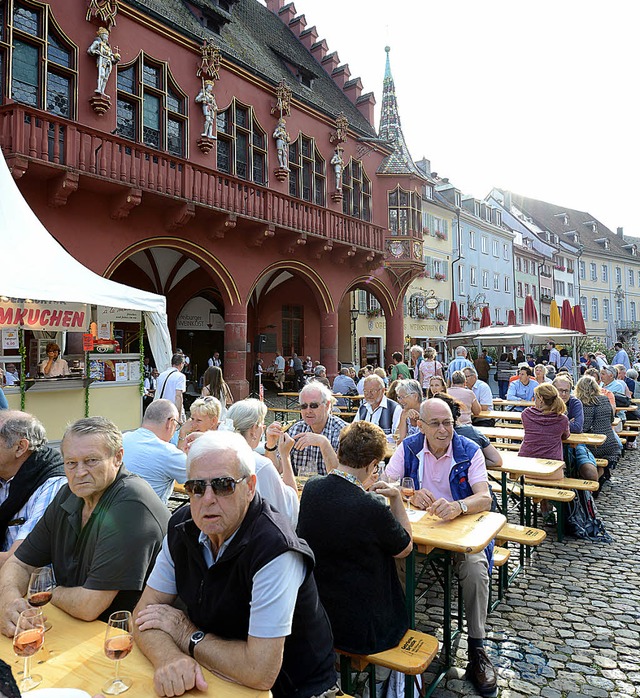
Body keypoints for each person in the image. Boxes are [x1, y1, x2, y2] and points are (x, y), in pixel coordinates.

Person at [132, 431, 337, 698]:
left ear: (250, 487)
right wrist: (168, 658)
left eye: (223, 485)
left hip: (293, 689)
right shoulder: (183, 527)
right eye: (196, 487)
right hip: (211, 675)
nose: (207, 499)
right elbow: (143, 616)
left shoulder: (275, 548)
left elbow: (259, 671)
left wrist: (185, 634)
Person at [0, 417, 169, 636]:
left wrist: (47, 592)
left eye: (91, 461)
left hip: (126, 639)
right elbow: (19, 564)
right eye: (71, 463)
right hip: (79, 631)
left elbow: (88, 605)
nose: (79, 472)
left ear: (117, 458)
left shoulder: (132, 503)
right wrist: (8, 600)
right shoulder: (69, 494)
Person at [385, 399, 496, 697]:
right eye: (435, 424)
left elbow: (484, 498)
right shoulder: (408, 447)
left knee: (475, 567)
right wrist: (409, 492)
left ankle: (477, 648)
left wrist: (459, 506)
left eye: (448, 422)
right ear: (420, 426)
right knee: (393, 554)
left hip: (460, 532)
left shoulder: (468, 449)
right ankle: (400, 632)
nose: (444, 429)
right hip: (421, 533)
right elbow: (384, 481)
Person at [297, 421, 411, 663]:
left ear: (339, 452)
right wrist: (397, 499)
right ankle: (381, 680)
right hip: (363, 629)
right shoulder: (370, 506)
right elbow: (405, 548)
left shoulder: (312, 488)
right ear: (373, 465)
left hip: (319, 616)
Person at [0, 412, 66, 567]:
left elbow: (19, 559)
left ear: (20, 448)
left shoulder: (52, 484)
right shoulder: (5, 475)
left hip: (34, 583)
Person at [227, 399, 299, 527]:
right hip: (255, 537)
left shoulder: (219, 454)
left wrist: (271, 446)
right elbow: (291, 510)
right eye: (261, 423)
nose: (264, 427)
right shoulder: (257, 463)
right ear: (253, 430)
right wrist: (285, 456)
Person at [265, 383, 345, 476]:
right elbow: (277, 469)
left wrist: (324, 443)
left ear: (327, 405)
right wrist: (271, 445)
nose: (308, 411)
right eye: (303, 406)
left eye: (313, 405)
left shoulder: (343, 432)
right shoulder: (296, 429)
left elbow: (343, 478)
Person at [122, 399, 187, 505]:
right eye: (177, 425)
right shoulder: (168, 453)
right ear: (170, 422)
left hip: (112, 512)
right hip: (146, 517)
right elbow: (201, 477)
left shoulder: (121, 439)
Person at [432, 393, 503, 469]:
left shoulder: (428, 436)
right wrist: (473, 462)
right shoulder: (472, 432)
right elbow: (496, 461)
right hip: (472, 478)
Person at [575, 376, 621, 482]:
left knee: (578, 452)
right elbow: (611, 419)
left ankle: (592, 482)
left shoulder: (579, 403)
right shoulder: (605, 399)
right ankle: (600, 476)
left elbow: (582, 427)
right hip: (609, 443)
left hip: (591, 445)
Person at [520, 384, 570, 463]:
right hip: (552, 461)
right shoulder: (562, 419)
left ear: (541, 399)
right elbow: (565, 436)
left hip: (527, 459)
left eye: (535, 398)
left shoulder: (526, 414)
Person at [87, 27, 120, 94]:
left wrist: (116, 59)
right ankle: (98, 88)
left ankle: (102, 91)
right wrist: (95, 51)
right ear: (101, 35)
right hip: (102, 59)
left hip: (108, 61)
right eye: (105, 35)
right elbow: (90, 50)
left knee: (106, 77)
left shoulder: (108, 47)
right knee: (101, 74)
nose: (107, 37)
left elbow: (112, 59)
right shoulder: (97, 43)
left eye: (107, 36)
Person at [154, 353, 187, 420]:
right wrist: (179, 415)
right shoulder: (180, 376)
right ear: (181, 364)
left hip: (161, 408)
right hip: (172, 409)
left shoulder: (161, 375)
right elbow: (178, 396)